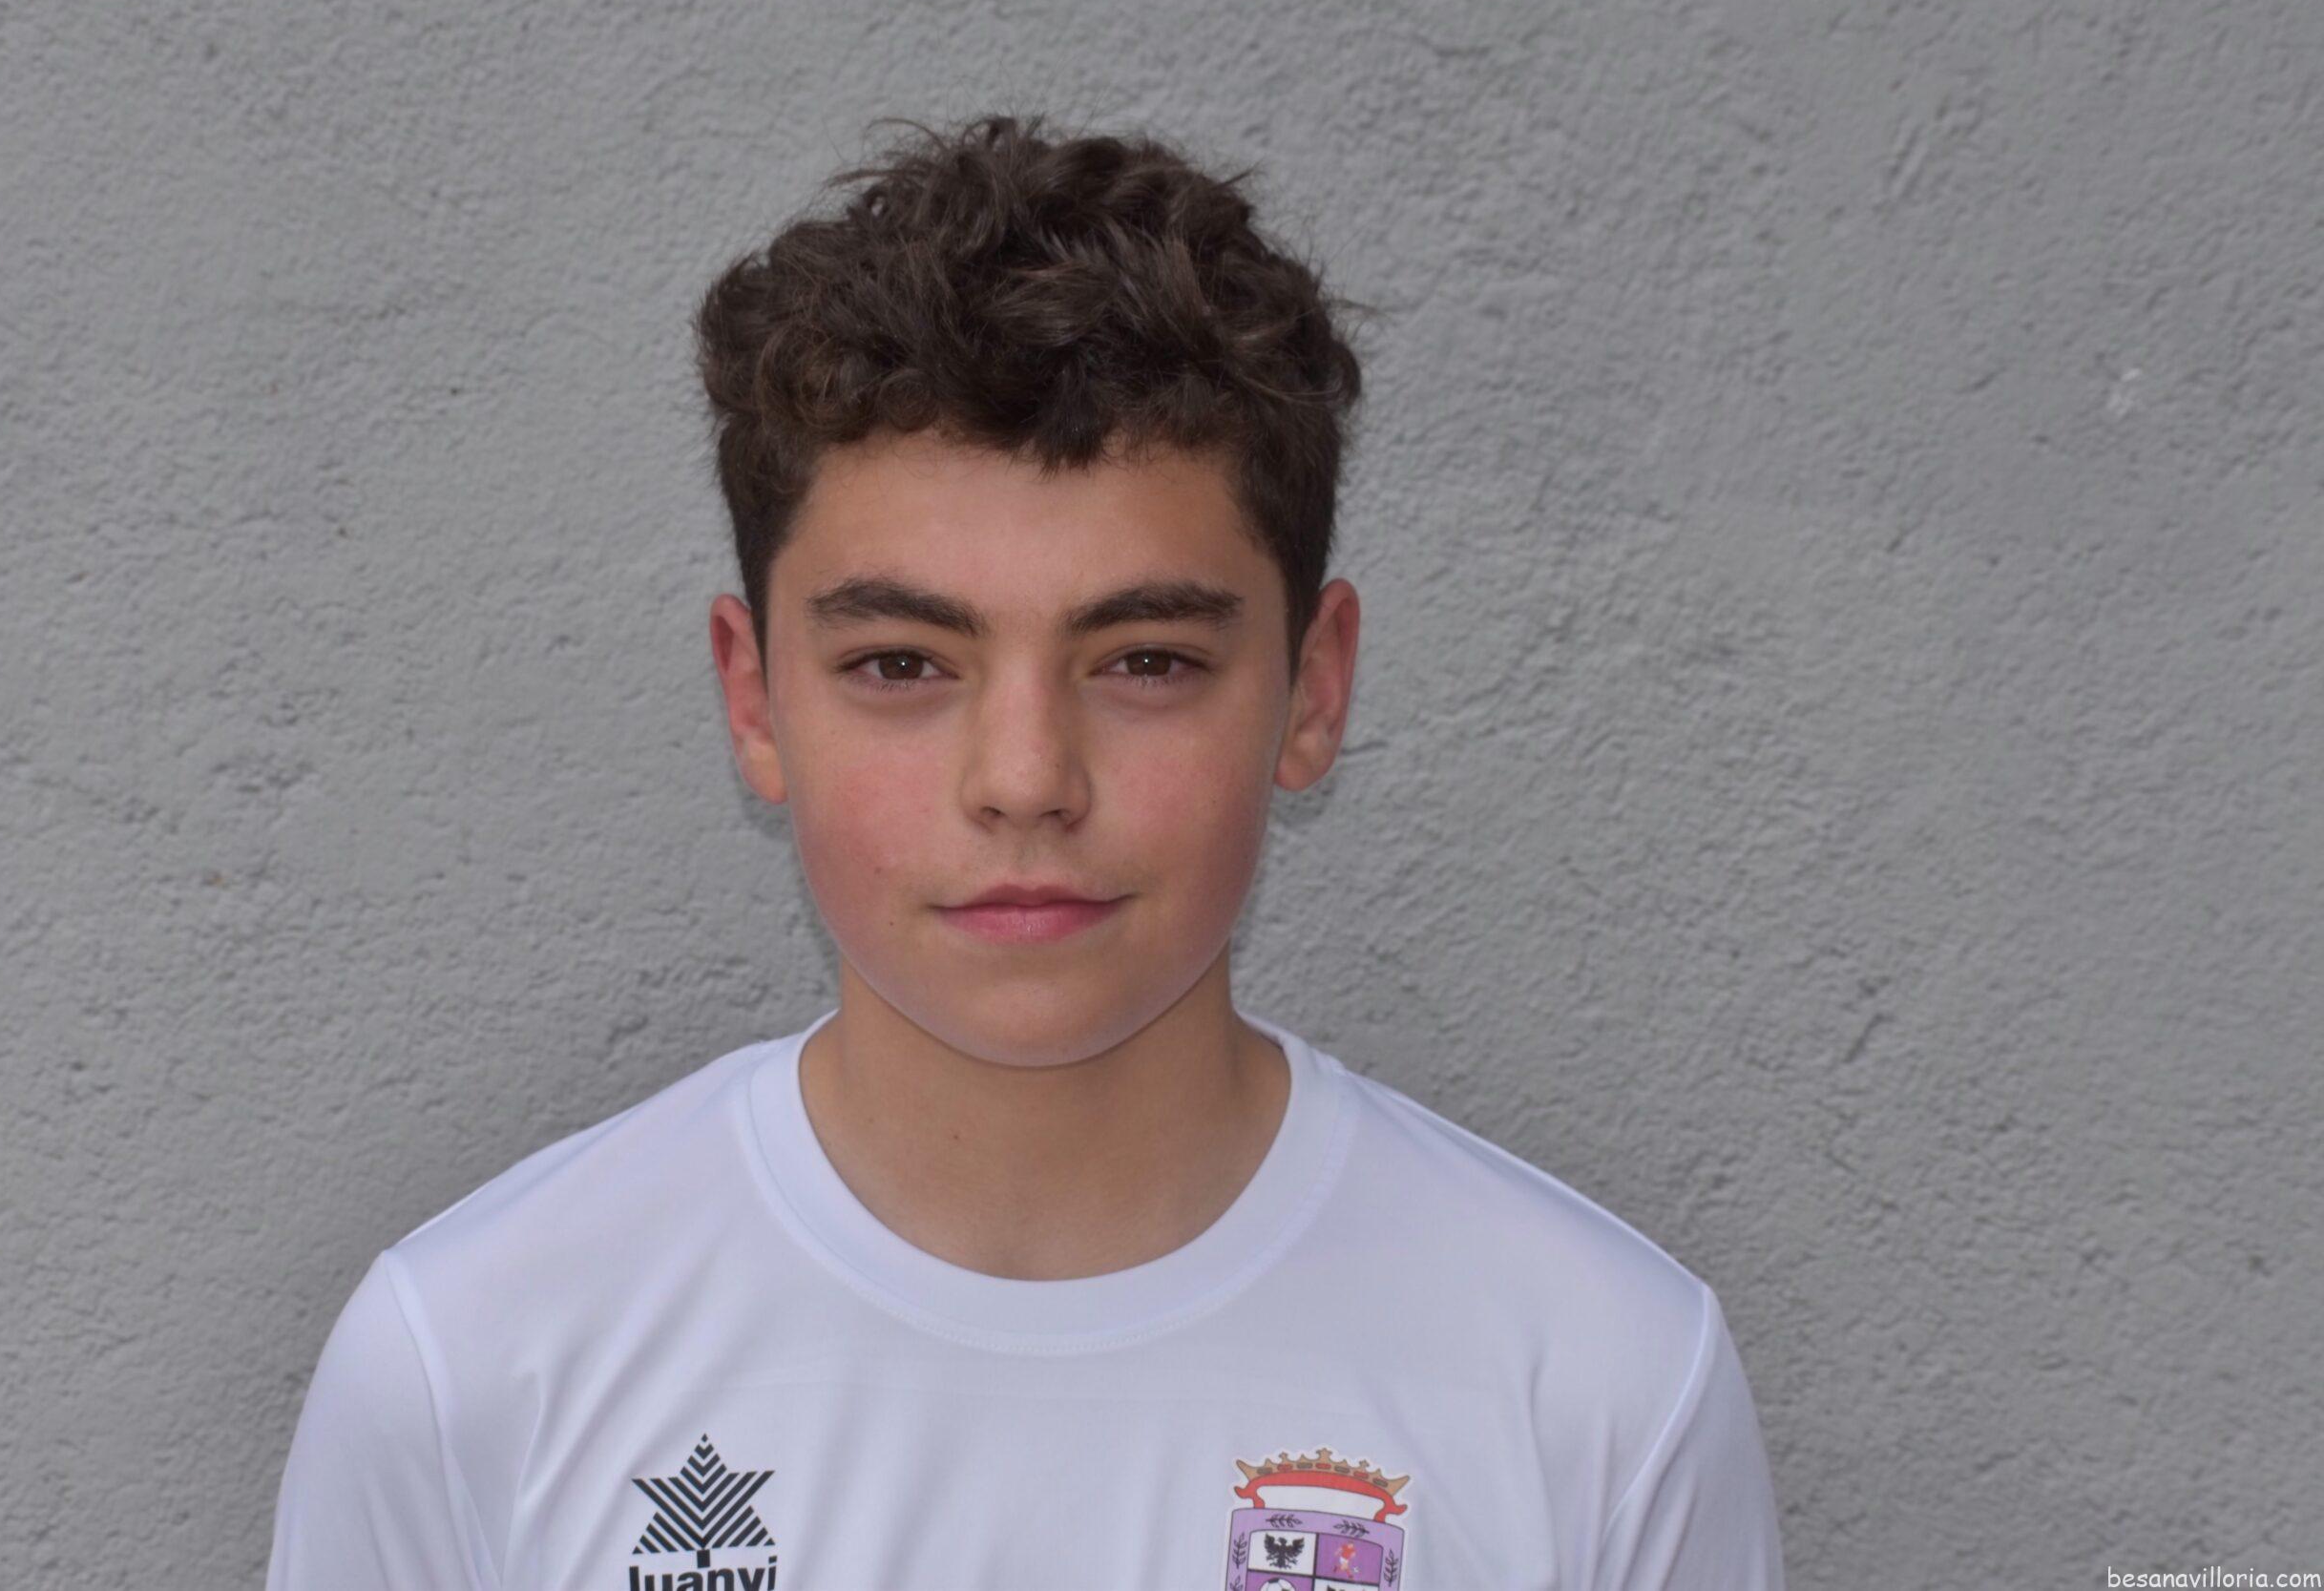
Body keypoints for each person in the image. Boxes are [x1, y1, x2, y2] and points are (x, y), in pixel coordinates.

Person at [265, 111, 1786, 1591]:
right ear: (755, 700)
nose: (1024, 781)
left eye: (1146, 663)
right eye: (902, 666)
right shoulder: (470, 1368)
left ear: (1313, 691)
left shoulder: (1598, 1391)